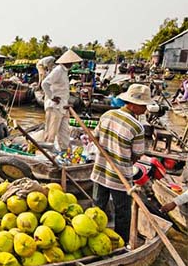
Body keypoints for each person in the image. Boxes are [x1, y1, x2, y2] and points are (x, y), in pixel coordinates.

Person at [91, 84, 152, 242]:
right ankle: (121, 242)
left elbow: (95, 137)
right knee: (123, 211)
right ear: (132, 104)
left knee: (97, 207)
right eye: (143, 105)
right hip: (120, 177)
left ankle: (93, 235)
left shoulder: (108, 115)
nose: (146, 109)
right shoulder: (137, 127)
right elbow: (137, 154)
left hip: (101, 169)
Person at [41, 49, 81, 150]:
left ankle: (65, 151)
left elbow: (62, 90)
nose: (72, 64)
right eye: (71, 62)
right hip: (55, 106)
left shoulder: (65, 72)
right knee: (51, 133)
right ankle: (46, 155)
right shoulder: (58, 70)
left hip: (63, 106)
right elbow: (45, 84)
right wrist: (52, 97)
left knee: (64, 133)